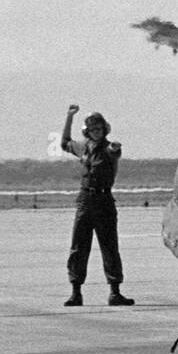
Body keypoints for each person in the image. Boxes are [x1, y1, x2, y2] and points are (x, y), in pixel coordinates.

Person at [60, 104, 134, 307]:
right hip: (85, 200)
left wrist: (115, 148)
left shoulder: (109, 149)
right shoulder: (82, 147)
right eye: (92, 129)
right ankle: (76, 292)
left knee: (109, 246)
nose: (96, 132)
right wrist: (69, 117)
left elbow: (114, 151)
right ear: (87, 131)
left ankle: (115, 292)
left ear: (104, 130)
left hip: (104, 201)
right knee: (79, 247)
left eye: (99, 129)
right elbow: (65, 143)